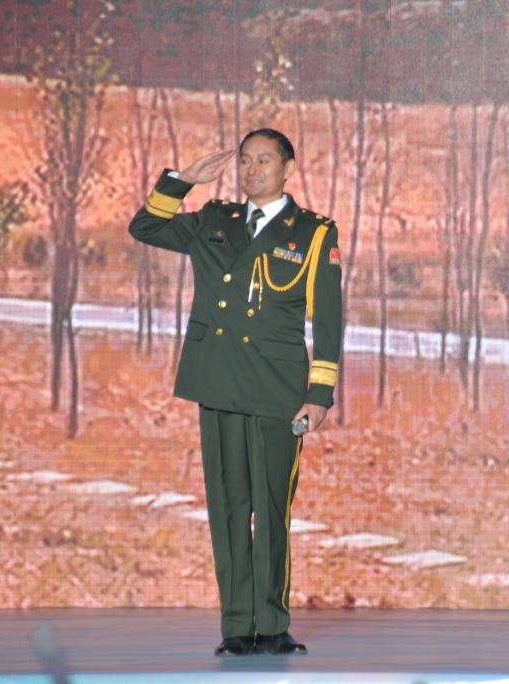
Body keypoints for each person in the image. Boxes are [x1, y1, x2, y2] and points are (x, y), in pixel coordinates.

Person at [129, 128, 343, 656]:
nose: (252, 170)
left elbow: (328, 319)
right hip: (220, 380)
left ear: (288, 169)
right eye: (245, 160)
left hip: (278, 389)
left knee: (271, 510)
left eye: (264, 160)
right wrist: (183, 181)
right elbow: (145, 226)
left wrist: (319, 394)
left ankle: (271, 625)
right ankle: (235, 628)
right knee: (228, 508)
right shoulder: (214, 219)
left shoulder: (313, 233)